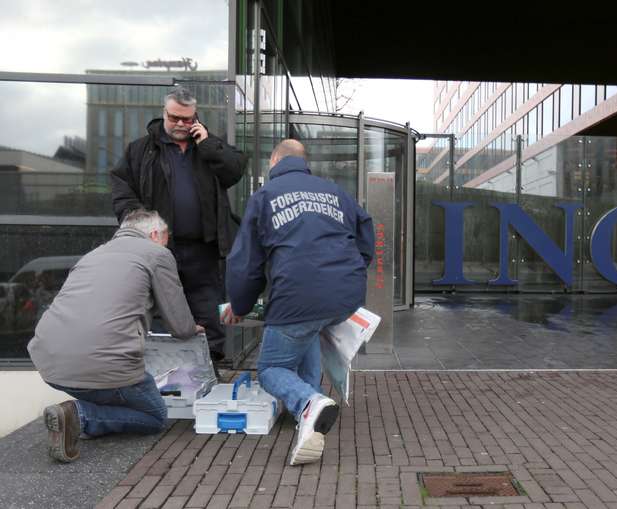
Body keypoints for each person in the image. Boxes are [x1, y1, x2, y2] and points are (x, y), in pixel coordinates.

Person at [222, 139, 374, 465]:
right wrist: (350, 274)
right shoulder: (336, 193)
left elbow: (246, 262)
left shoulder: (264, 197)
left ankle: (308, 402)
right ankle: (309, 416)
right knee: (307, 332)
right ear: (305, 162)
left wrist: (240, 304)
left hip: (298, 295)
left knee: (272, 368)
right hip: (345, 295)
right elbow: (365, 235)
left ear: (274, 161)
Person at [27, 209, 203, 463]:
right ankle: (80, 415)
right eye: (166, 237)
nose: (168, 244)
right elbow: (180, 326)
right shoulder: (158, 254)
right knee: (154, 416)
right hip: (107, 365)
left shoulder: (92, 255)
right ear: (155, 234)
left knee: (117, 393)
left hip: (49, 364)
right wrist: (191, 327)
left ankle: (78, 416)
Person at [110, 86, 246, 360]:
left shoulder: (207, 145)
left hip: (204, 250)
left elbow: (235, 170)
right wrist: (141, 224)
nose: (181, 124)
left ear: (195, 116)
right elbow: (121, 189)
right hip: (159, 250)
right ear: (164, 114)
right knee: (162, 312)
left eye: (187, 119)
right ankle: (164, 380)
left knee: (209, 315)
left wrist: (208, 144)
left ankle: (208, 377)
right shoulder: (141, 150)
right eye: (175, 118)